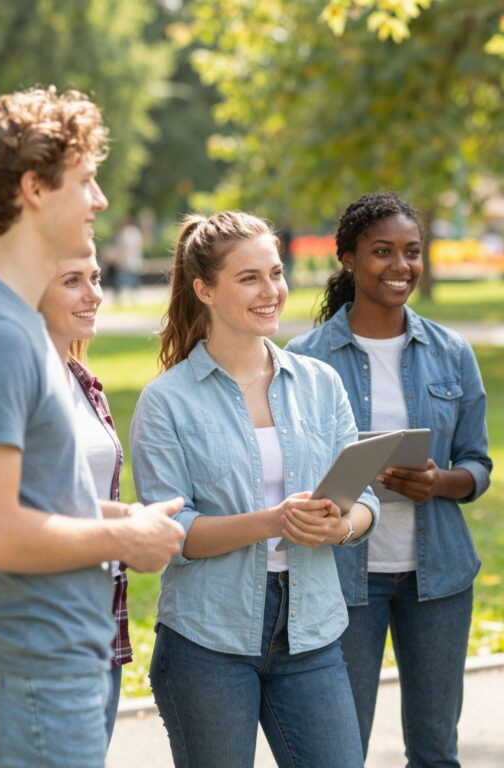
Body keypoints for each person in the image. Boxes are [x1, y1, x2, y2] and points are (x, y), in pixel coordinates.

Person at [0, 87, 184, 768]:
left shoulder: (14, 324)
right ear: (34, 188)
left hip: (49, 669)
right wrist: (124, 536)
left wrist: (120, 513)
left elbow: (24, 497)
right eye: (85, 180)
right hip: (31, 675)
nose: (101, 199)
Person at [129, 211, 375, 768]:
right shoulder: (166, 402)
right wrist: (272, 521)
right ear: (204, 290)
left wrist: (341, 525)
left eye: (277, 273)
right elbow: (175, 532)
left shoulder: (320, 384)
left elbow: (366, 502)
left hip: (311, 632)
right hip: (206, 640)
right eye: (249, 278)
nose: (272, 291)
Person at [287, 192, 492, 766]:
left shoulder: (450, 352)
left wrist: (440, 482)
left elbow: (478, 464)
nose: (400, 266)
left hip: (439, 580)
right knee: (340, 747)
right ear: (349, 258)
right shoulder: (306, 359)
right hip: (344, 581)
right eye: (382, 252)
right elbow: (290, 470)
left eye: (412, 252)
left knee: (435, 747)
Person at [39, 252, 132, 745]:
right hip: (43, 627)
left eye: (95, 278)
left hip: (101, 617)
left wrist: (131, 525)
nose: (94, 293)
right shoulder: (17, 385)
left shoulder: (86, 383)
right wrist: (123, 528)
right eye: (72, 280)